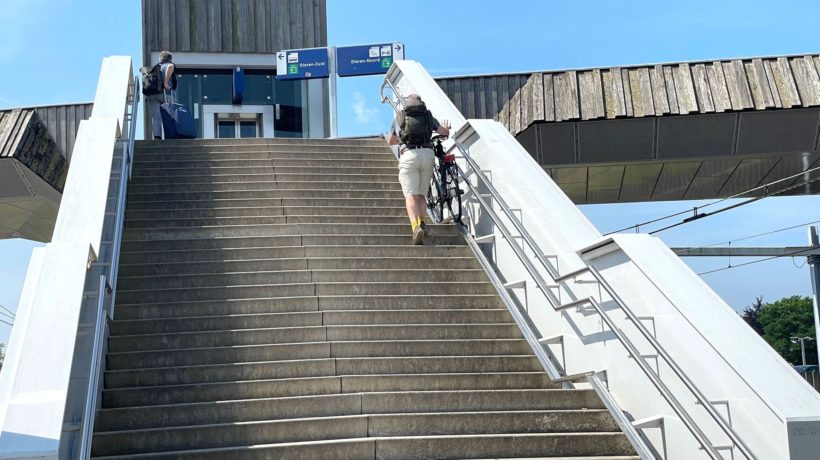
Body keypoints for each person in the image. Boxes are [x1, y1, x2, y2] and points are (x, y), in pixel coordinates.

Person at [389, 94, 451, 245]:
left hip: (409, 155)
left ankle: (416, 227)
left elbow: (391, 140)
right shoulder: (427, 115)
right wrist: (446, 128)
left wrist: (403, 138)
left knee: (411, 196)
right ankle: (423, 222)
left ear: (407, 103)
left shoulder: (400, 116)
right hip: (427, 155)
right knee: (422, 195)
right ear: (420, 102)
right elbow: (444, 132)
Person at [143, 51, 177, 140]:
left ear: (160, 59)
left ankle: (157, 136)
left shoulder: (154, 68)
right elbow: (170, 66)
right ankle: (172, 134)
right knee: (172, 114)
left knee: (156, 117)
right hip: (165, 94)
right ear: (170, 59)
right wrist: (166, 83)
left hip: (151, 95)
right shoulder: (168, 64)